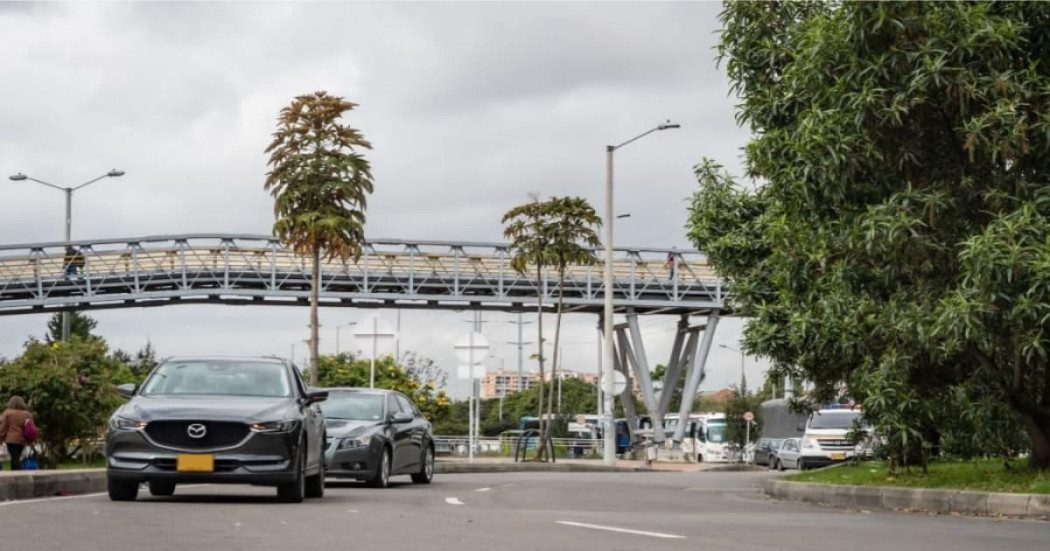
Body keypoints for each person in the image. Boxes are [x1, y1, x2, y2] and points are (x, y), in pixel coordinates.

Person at [0, 396, 33, 471]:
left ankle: (19, 475)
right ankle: (14, 474)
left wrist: (1, 438)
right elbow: (30, 427)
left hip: (11, 440)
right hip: (22, 440)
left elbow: (3, 427)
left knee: (15, 458)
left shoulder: (7, 413)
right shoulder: (27, 414)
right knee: (15, 457)